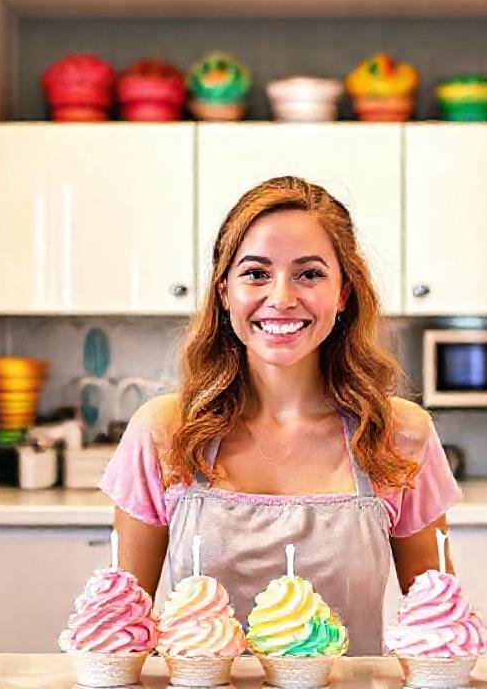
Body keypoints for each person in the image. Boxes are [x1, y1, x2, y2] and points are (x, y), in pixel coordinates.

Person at [99, 176, 462, 655]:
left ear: (344, 292)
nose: (282, 298)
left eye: (309, 274)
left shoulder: (398, 434)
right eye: (256, 273)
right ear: (224, 291)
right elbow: (121, 638)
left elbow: (440, 639)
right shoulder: (164, 432)